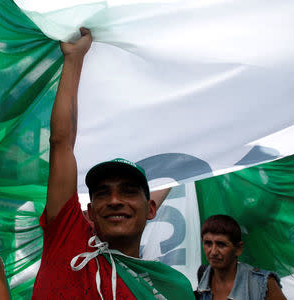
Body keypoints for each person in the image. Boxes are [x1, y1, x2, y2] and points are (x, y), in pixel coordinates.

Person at [32, 28, 194, 299]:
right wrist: (74, 59)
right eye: (102, 192)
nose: (115, 200)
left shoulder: (173, 287)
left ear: (151, 208)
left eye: (129, 191)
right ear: (90, 212)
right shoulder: (68, 240)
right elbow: (61, 142)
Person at [196, 214, 286, 300]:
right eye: (208, 243)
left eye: (221, 244)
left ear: (238, 248)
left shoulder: (262, 284)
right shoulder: (203, 277)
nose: (213, 252)